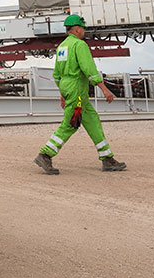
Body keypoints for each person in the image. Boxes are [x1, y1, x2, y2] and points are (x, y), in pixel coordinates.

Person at [34, 14, 127, 174]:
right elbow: (88, 68)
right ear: (77, 28)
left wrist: (63, 93)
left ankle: (107, 159)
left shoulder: (62, 47)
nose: (84, 31)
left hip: (70, 89)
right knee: (72, 121)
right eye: (83, 28)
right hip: (77, 90)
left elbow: (57, 74)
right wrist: (103, 88)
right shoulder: (79, 45)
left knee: (92, 121)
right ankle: (46, 154)